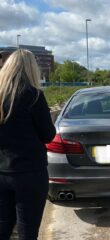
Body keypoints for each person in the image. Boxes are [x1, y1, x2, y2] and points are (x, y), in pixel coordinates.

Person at [0, 49, 56, 240]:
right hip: (30, 173)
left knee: (3, 226)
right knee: (27, 230)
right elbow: (48, 135)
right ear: (31, 68)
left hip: (1, 173)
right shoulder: (33, 96)